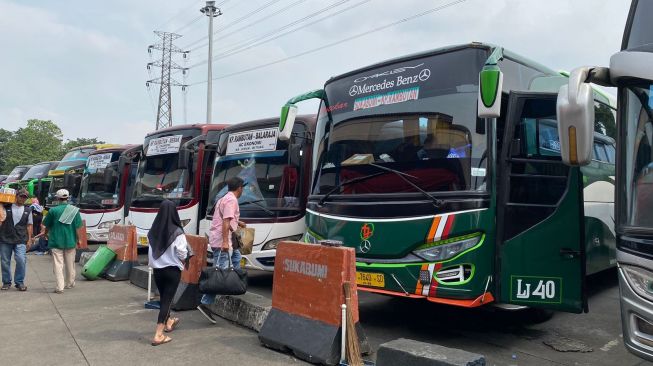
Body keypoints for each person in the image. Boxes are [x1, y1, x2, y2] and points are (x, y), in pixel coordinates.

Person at [197, 176, 247, 324]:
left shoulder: (224, 198)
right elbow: (225, 222)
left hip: (220, 238)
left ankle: (233, 286)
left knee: (236, 258)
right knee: (220, 271)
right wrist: (225, 241)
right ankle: (205, 301)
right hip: (222, 241)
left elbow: (226, 218)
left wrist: (239, 222)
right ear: (239, 188)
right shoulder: (232, 200)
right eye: (243, 187)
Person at [147, 200, 187, 346]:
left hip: (157, 271)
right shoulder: (177, 232)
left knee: (164, 297)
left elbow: (151, 253)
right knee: (167, 300)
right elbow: (182, 253)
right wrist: (183, 261)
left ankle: (169, 322)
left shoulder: (152, 231)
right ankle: (158, 334)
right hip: (172, 271)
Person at [42, 189, 83, 294]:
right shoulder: (74, 210)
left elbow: (47, 225)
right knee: (70, 263)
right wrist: (79, 240)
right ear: (68, 198)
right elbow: (78, 228)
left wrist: (46, 233)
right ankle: (70, 283)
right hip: (70, 240)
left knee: (58, 264)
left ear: (57, 198)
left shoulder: (53, 211)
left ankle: (60, 287)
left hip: (56, 241)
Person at [0, 189, 33, 291]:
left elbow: (29, 225)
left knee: (21, 260)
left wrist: (30, 239)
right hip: (5, 238)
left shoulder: (28, 210)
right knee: (5, 261)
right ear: (16, 196)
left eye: (24, 197)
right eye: (21, 196)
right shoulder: (6, 207)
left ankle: (19, 282)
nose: (22, 199)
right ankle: (6, 282)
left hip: (21, 239)